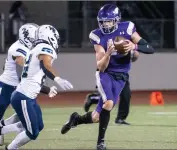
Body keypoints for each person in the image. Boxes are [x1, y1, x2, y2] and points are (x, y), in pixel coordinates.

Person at [60, 4, 154, 150]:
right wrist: (108, 54)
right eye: (102, 21)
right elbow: (101, 66)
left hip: (122, 76)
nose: (105, 24)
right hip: (105, 74)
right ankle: (100, 143)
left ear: (116, 20)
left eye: (108, 21)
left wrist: (133, 47)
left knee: (96, 117)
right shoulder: (97, 35)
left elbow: (149, 48)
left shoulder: (128, 28)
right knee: (109, 103)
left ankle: (76, 119)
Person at [0, 24, 73, 150]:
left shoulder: (34, 50)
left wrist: (47, 90)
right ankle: (10, 147)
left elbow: (33, 78)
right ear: (50, 37)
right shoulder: (44, 48)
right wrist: (57, 78)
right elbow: (46, 66)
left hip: (26, 95)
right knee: (32, 132)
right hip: (24, 96)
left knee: (39, 125)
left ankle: (1, 129)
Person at [83, 50, 140, 125]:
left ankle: (120, 118)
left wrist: (133, 54)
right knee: (110, 97)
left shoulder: (130, 40)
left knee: (125, 95)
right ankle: (93, 100)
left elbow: (138, 50)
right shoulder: (108, 41)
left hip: (122, 73)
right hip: (109, 71)